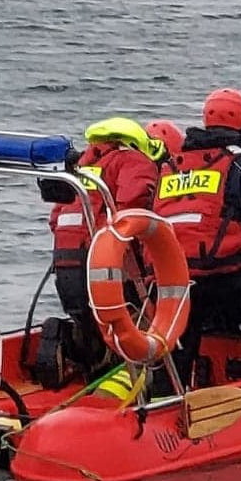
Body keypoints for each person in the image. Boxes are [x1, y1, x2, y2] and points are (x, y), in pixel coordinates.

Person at [152, 88, 241, 386]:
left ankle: (165, 405)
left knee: (180, 340)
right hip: (223, 276)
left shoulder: (171, 166)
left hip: (174, 280)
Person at [42, 117, 161, 378]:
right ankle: (132, 384)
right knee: (128, 324)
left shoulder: (83, 166)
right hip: (101, 258)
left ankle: (85, 366)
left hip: (65, 260)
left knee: (88, 323)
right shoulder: (131, 160)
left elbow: (55, 218)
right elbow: (132, 209)